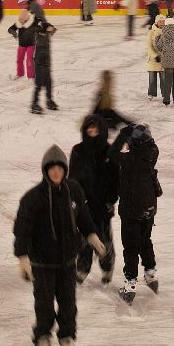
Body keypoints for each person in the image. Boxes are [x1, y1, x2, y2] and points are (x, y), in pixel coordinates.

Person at [13, 145, 102, 346]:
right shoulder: (32, 198)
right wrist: (22, 258)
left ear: (65, 170)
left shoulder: (74, 191)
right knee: (44, 305)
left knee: (68, 305)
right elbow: (21, 229)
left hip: (67, 261)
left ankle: (67, 338)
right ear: (45, 170)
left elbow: (83, 216)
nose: (56, 172)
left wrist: (91, 235)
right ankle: (43, 339)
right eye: (51, 169)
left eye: (59, 168)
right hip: (42, 263)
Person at [111, 123, 161, 304]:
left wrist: (123, 135)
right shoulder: (152, 153)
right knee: (145, 240)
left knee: (131, 246)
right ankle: (150, 274)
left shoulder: (130, 159)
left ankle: (130, 285)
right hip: (148, 208)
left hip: (132, 210)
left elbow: (111, 155)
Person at [70, 114, 119, 285]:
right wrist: (75, 200)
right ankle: (82, 268)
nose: (92, 130)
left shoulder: (108, 150)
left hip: (102, 204)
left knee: (104, 238)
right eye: (89, 127)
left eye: (95, 127)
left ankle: (107, 266)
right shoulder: (77, 150)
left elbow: (115, 179)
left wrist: (111, 200)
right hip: (84, 205)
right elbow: (72, 178)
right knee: (83, 240)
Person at [30, 16, 59, 114]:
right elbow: (39, 33)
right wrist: (45, 29)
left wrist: (50, 27)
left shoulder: (45, 30)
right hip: (39, 62)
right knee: (39, 84)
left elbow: (53, 29)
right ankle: (34, 104)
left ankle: (49, 101)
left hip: (46, 61)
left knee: (49, 83)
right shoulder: (36, 32)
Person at [11, 6, 37, 80]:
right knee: (19, 59)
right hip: (21, 45)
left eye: (23, 19)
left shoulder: (32, 24)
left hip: (30, 45)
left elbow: (39, 28)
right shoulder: (18, 23)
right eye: (20, 19)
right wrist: (14, 33)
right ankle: (20, 73)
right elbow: (10, 29)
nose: (21, 21)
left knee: (29, 60)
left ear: (27, 19)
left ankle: (31, 76)